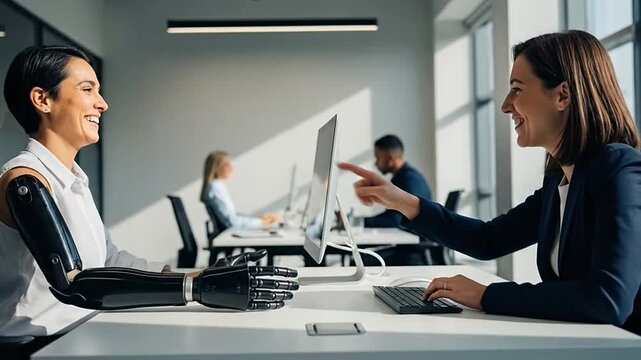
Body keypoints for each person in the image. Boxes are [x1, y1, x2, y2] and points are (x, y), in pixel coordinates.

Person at [338, 30, 641, 335]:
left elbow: (608, 300)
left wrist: (485, 295)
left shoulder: (617, 168)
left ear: (562, 95)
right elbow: (489, 239)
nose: (506, 105)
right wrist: (401, 201)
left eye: (517, 89)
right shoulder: (560, 180)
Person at [0, 46, 297, 351]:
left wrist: (201, 274)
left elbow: (109, 259)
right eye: (87, 89)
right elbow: (75, 284)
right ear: (43, 100)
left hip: (80, 332)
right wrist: (198, 289)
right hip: (36, 346)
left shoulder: (72, 180)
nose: (102, 104)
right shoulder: (25, 180)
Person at [359, 135, 435, 265]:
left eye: (378, 157)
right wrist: (360, 221)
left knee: (359, 261)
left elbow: (396, 219)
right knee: (359, 257)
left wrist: (359, 222)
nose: (376, 163)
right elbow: (392, 216)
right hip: (409, 246)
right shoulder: (404, 177)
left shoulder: (409, 180)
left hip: (414, 252)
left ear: (389, 156)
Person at [200, 151, 280, 230]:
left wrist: (259, 219)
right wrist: (261, 222)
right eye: (227, 164)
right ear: (216, 168)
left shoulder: (218, 186)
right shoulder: (215, 188)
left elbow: (233, 215)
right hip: (230, 235)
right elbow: (231, 222)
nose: (231, 168)